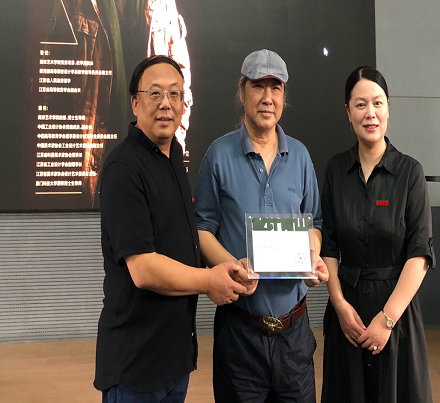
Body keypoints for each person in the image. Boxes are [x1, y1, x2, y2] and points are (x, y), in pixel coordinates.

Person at [94, 55, 249, 403]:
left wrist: (229, 265)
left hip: (173, 359)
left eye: (175, 94)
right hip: (136, 365)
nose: (166, 103)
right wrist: (209, 281)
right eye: (155, 93)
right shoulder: (123, 168)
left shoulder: (172, 155)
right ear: (135, 103)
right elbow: (143, 268)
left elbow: (185, 237)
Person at [194, 49, 328, 403]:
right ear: (242, 92)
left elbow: (314, 222)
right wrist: (232, 266)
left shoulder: (300, 156)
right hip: (239, 333)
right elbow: (202, 229)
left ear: (283, 96)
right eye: (258, 86)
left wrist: (311, 256)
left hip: (294, 335)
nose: (267, 97)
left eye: (275, 87)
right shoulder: (218, 155)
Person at [48, 0, 191, 205]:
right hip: (92, 148)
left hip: (150, 144)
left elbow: (182, 80)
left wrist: (175, 140)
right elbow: (54, 84)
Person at [321, 66, 435, 403]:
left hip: (396, 315)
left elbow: (420, 254)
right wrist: (339, 305)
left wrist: (386, 320)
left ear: (387, 108)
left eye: (377, 103)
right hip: (348, 316)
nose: (370, 113)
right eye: (360, 105)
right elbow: (328, 247)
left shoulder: (410, 172)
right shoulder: (336, 170)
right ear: (348, 112)